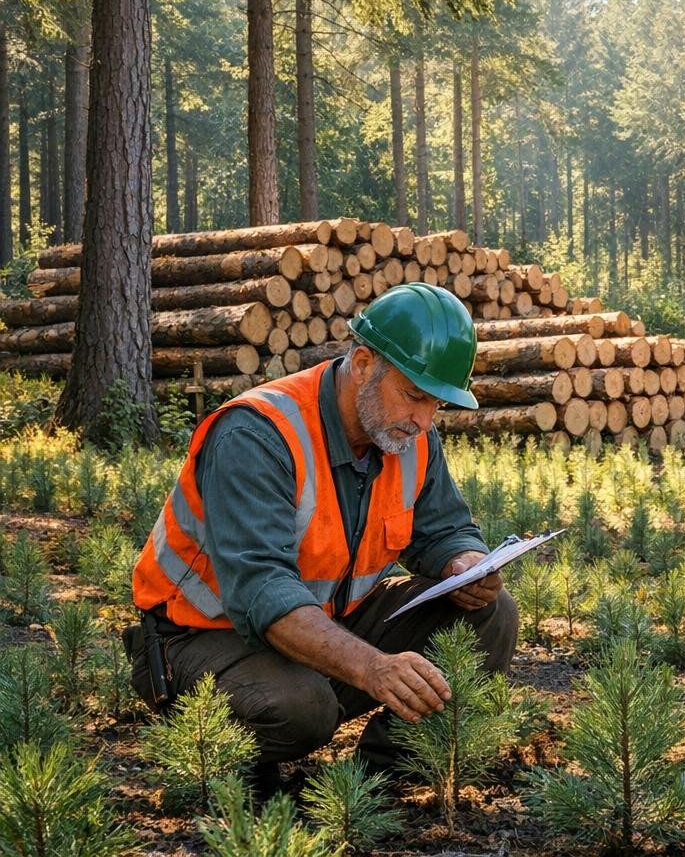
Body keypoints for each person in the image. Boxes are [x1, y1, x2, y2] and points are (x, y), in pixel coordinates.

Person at [126, 282, 518, 795]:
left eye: (438, 404)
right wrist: (373, 667)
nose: (424, 420)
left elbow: (445, 529)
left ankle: (369, 787)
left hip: (323, 625)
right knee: (301, 707)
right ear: (361, 366)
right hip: (200, 639)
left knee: (493, 614)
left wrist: (463, 563)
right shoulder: (258, 433)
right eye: (414, 395)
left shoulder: (406, 433)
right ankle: (234, 775)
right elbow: (263, 592)